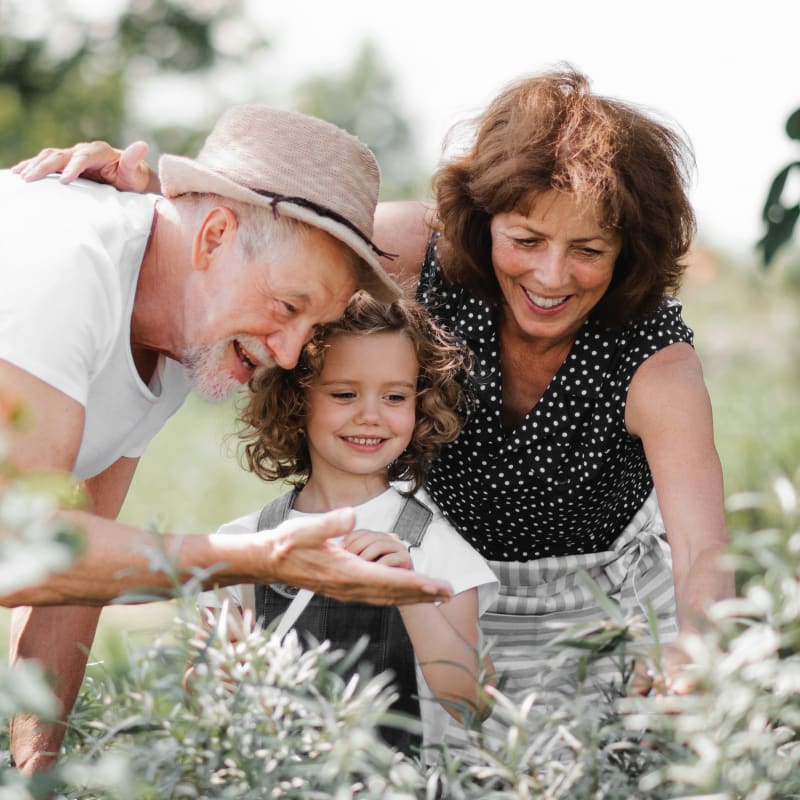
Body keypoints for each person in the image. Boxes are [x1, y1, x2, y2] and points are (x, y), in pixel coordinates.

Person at [17, 66, 735, 730]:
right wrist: (145, 210)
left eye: (589, 250)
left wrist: (695, 660)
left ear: (627, 251)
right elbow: (261, 240)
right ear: (483, 224)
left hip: (597, 611)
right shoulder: (413, 255)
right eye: (526, 238)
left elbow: (704, 550)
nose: (551, 275)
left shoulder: (652, 361)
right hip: (442, 589)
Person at [0, 105, 453, 774]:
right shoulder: (70, 266)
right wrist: (262, 556)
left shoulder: (182, 332)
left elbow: (75, 572)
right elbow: (21, 551)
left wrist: (32, 780)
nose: (293, 352)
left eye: (314, 324)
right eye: (288, 307)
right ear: (211, 237)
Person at [195, 290, 498, 756]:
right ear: (297, 400)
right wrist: (221, 664)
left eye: (395, 396)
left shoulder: (433, 547)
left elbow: (474, 703)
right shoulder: (243, 543)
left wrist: (411, 596)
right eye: (344, 393)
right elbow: (202, 701)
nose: (370, 415)